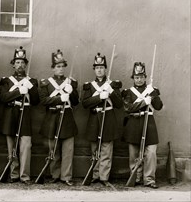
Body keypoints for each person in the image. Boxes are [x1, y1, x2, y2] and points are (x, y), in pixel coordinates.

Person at [0, 46, 40, 185]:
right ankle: (14, 174)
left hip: (26, 113)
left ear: (26, 64)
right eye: (17, 62)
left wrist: (30, 87)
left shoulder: (32, 81)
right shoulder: (6, 80)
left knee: (26, 146)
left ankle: (25, 176)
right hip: (11, 114)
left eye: (22, 62)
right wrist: (18, 92)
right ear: (13, 64)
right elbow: (3, 97)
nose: (20, 65)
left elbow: (35, 101)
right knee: (12, 146)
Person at [82, 52, 123, 187]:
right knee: (95, 148)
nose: (99, 70)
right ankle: (94, 174)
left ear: (105, 69)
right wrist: (100, 97)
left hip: (108, 117)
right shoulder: (89, 85)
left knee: (106, 149)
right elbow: (85, 103)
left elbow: (119, 105)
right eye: (97, 67)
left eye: (101, 67)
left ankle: (104, 177)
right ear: (94, 69)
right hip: (94, 118)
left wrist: (110, 91)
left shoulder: (113, 85)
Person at [39, 49, 79, 186]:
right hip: (52, 117)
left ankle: (66, 176)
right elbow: (43, 100)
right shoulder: (46, 83)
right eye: (58, 66)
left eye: (62, 66)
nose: (61, 69)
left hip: (67, 117)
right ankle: (55, 174)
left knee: (68, 150)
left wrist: (71, 92)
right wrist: (59, 98)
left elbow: (75, 102)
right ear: (53, 68)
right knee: (53, 149)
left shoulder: (71, 82)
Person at [122, 62, 163, 189]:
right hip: (134, 123)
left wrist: (153, 95)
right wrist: (143, 101)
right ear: (133, 78)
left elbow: (158, 106)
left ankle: (149, 179)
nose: (139, 80)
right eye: (136, 77)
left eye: (141, 77)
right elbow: (128, 108)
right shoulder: (128, 92)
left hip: (148, 122)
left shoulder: (152, 90)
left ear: (145, 77)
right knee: (134, 153)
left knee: (151, 152)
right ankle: (136, 177)